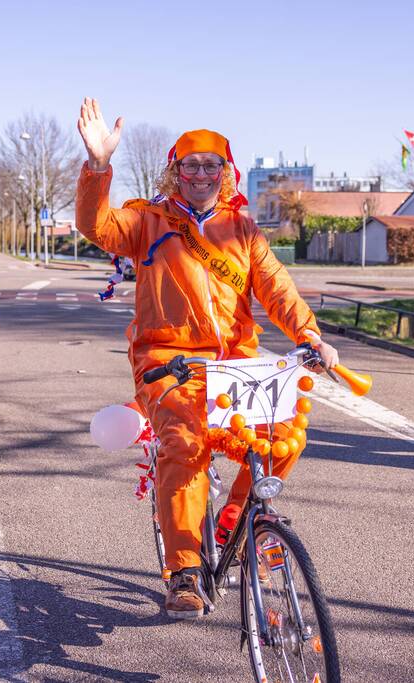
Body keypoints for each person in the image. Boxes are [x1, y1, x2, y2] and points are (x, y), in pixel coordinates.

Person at [75, 98, 340, 619]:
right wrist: (99, 167)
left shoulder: (242, 231)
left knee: (286, 438)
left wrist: (310, 336)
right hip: (167, 363)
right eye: (190, 164)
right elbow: (96, 225)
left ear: (225, 172)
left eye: (210, 164)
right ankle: (185, 571)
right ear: (176, 171)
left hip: (236, 367)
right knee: (185, 446)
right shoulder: (146, 222)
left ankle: (235, 521)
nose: (200, 173)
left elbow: (278, 290)